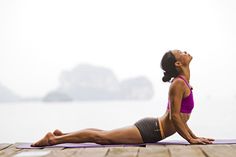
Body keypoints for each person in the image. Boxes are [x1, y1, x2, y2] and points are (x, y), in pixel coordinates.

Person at [31, 50, 214, 147]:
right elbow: (175, 117)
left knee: (103, 133)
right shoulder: (178, 84)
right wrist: (191, 140)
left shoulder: (182, 82)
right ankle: (53, 140)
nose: (184, 51)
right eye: (179, 51)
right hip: (151, 131)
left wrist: (195, 137)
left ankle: (62, 135)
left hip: (153, 129)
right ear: (178, 63)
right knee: (103, 138)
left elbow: (179, 118)